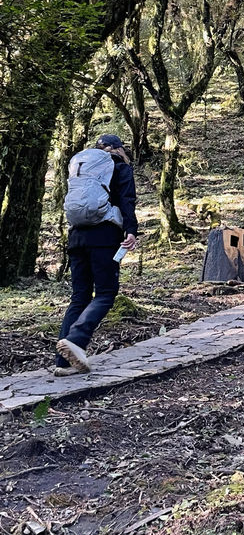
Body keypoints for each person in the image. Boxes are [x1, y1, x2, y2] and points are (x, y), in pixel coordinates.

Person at [55, 133, 138, 376]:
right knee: (105, 293)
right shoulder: (119, 167)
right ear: (117, 148)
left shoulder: (81, 167)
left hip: (77, 236)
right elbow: (127, 200)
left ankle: (62, 363)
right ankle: (76, 340)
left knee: (79, 297)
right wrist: (131, 231)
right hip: (104, 237)